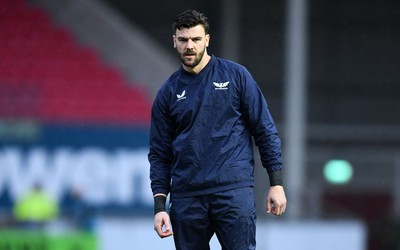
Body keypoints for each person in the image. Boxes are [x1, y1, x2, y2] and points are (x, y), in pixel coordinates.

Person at [148, 9, 287, 249]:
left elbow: (264, 129)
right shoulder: (167, 93)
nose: (189, 46)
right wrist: (160, 206)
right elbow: (160, 153)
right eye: (183, 40)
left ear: (207, 40)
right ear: (174, 42)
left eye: (195, 39)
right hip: (187, 198)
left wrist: (276, 183)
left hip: (232, 192)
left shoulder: (236, 76)